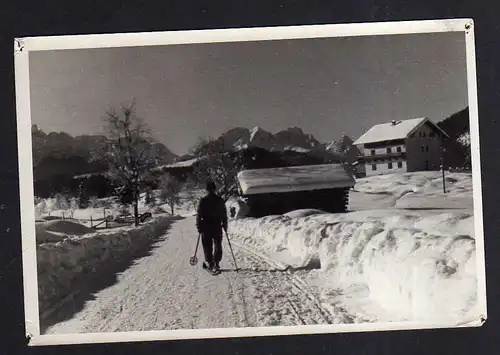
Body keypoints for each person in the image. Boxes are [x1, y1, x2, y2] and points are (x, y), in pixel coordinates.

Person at [196, 180, 228, 272]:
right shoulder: (220, 200)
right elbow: (224, 214)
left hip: (206, 226)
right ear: (214, 189)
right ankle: (216, 262)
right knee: (218, 243)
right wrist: (225, 225)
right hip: (217, 225)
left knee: (207, 245)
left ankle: (210, 263)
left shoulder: (203, 200)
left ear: (206, 189)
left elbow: (199, 215)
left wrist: (199, 226)